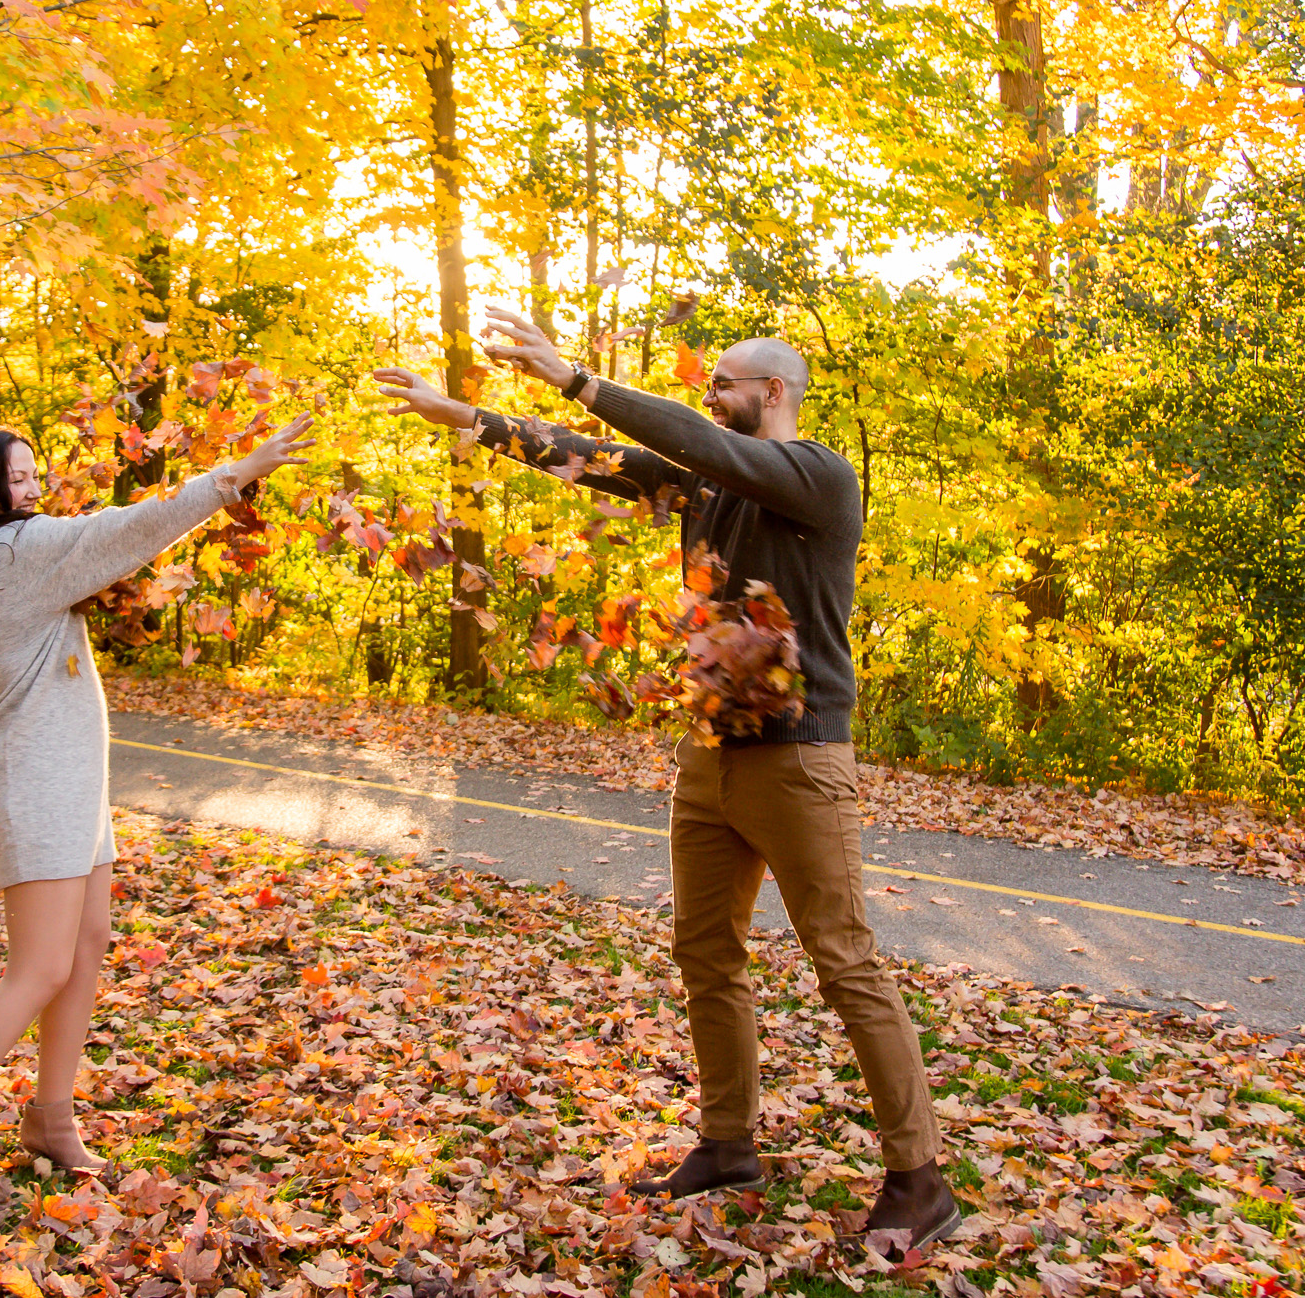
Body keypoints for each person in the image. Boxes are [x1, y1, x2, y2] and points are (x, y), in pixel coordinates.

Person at [372, 310, 958, 1258]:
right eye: (710, 381)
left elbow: (678, 436)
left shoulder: (816, 477)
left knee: (844, 963)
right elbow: (592, 458)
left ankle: (918, 1176)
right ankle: (729, 1144)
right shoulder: (705, 482)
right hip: (711, 750)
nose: (707, 394)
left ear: (773, 393)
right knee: (703, 951)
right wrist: (465, 417)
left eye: (725, 382)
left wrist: (573, 374)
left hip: (803, 756)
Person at [0, 414, 315, 1209]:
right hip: (33, 780)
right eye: (13, 478)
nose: (29, 488)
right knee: (40, 968)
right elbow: (131, 527)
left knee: (84, 947)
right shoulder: (15, 550)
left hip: (68, 775)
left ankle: (51, 1117)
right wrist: (234, 473)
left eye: (31, 474)